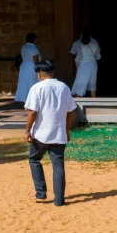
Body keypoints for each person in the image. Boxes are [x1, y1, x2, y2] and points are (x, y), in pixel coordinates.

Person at [24, 59, 76, 206]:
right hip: (58, 133)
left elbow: (32, 112)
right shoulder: (64, 87)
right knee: (58, 166)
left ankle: (41, 193)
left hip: (40, 134)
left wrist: (27, 130)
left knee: (34, 159)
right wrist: (67, 129)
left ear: (39, 74)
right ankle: (59, 200)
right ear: (53, 72)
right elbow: (70, 111)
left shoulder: (37, 88)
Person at [70, 28, 101, 98]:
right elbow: (98, 57)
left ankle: (78, 102)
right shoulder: (95, 43)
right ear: (91, 35)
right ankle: (94, 102)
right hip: (93, 64)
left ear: (81, 35)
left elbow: (72, 53)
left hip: (83, 65)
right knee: (92, 83)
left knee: (80, 84)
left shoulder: (78, 44)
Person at [14, 32, 41, 103]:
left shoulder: (24, 47)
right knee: (32, 82)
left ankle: (23, 97)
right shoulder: (33, 48)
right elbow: (36, 59)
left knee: (24, 82)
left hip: (24, 66)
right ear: (34, 39)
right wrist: (39, 68)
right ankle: (32, 98)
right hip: (31, 66)